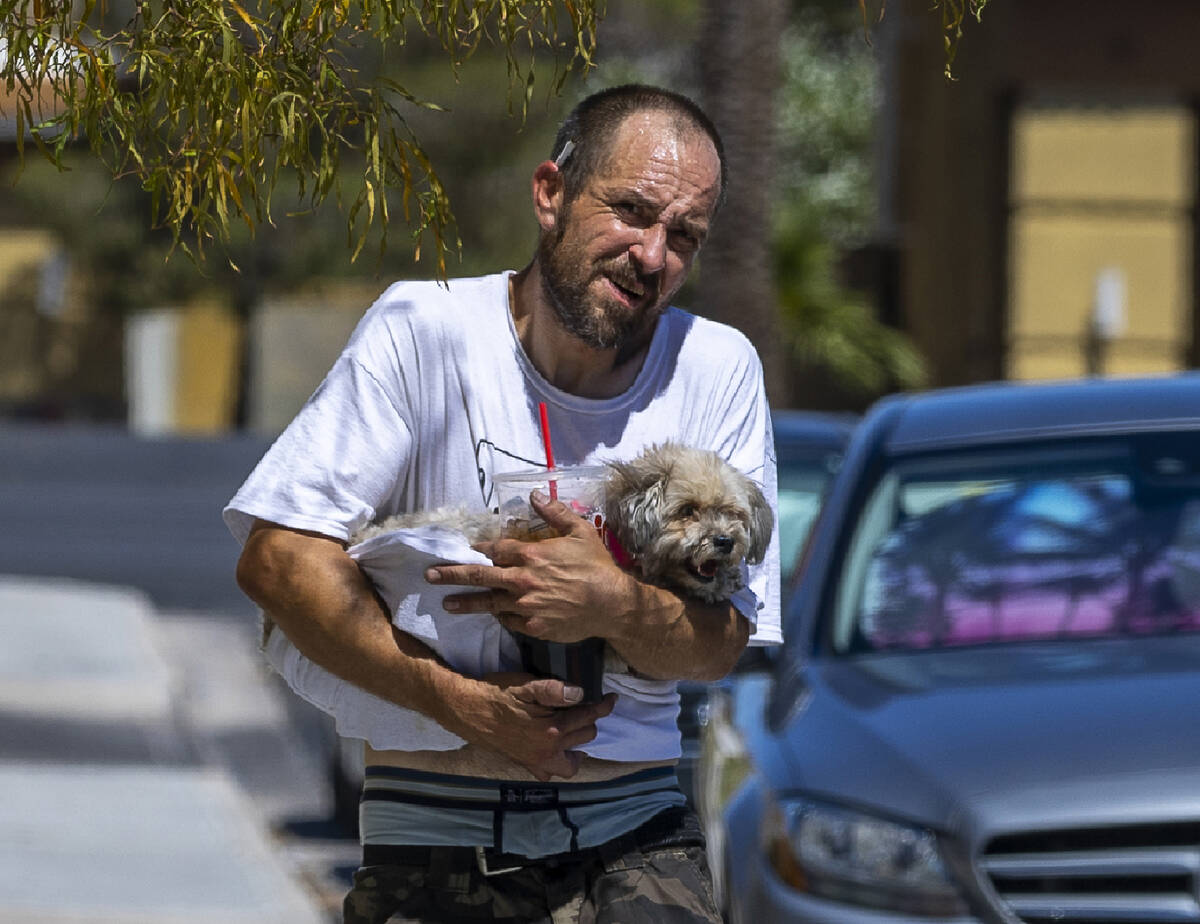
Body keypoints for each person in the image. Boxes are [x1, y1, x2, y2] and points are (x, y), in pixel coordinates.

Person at [226, 83, 780, 923]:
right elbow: (276, 560)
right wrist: (464, 707)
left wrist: (611, 604)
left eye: (684, 237)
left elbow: (721, 645)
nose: (653, 254)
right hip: (436, 842)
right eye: (631, 210)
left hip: (635, 840)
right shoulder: (426, 330)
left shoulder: (716, 366)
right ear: (550, 193)